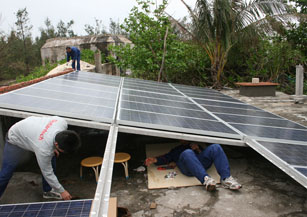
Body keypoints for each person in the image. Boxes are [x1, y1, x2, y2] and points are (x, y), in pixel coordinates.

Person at [0, 116, 81, 200]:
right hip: (15, 139)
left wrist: (52, 148)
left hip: (32, 133)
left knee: (50, 155)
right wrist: (62, 191)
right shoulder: (44, 150)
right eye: (62, 150)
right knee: (6, 174)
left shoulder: (61, 122)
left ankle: (48, 191)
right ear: (56, 144)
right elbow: (47, 173)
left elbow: (47, 143)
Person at [145, 141, 241, 191]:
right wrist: (154, 160)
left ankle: (226, 178)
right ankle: (206, 180)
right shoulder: (177, 150)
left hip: (201, 164)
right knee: (187, 153)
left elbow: (206, 155)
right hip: (187, 168)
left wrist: (198, 149)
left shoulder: (196, 144)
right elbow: (166, 157)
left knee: (216, 147)